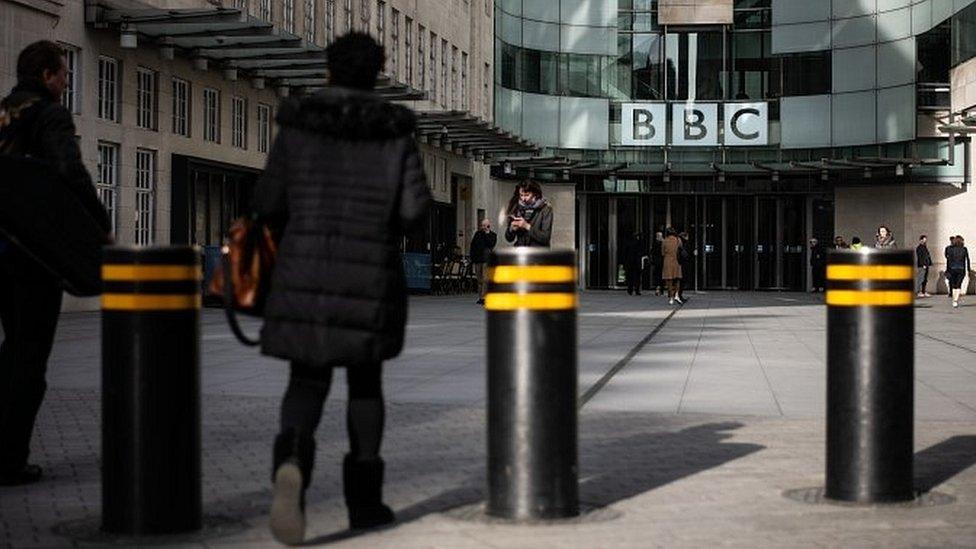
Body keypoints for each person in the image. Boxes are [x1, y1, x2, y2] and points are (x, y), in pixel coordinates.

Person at [250, 33, 432, 544]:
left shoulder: (298, 126)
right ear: (377, 75)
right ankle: (365, 503)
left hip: (304, 273)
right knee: (365, 385)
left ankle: (290, 465)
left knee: (306, 381)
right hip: (369, 276)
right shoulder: (394, 133)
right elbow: (416, 212)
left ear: (328, 70)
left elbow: (266, 202)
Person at [0, 41, 111, 486]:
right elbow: (69, 170)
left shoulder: (4, 113)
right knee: (29, 358)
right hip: (31, 254)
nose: (67, 82)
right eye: (64, 74)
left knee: (11, 351)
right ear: (46, 74)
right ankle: (10, 459)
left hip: (0, 248)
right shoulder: (48, 114)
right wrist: (99, 225)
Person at [505, 180, 553, 247]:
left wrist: (526, 226)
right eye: (521, 195)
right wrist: (511, 229)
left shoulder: (546, 209)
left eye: (527, 195)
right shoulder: (516, 207)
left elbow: (545, 238)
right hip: (521, 253)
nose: (523, 199)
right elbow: (509, 239)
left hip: (538, 254)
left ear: (535, 194)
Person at [469, 219, 497, 305]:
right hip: (478, 259)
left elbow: (491, 244)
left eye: (485, 225)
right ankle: (480, 297)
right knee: (479, 279)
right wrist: (472, 257)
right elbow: (473, 245)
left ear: (489, 226)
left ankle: (484, 297)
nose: (483, 227)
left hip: (486, 259)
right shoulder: (478, 234)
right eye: (482, 225)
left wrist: (487, 233)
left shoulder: (492, 235)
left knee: (485, 279)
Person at [945, 235, 971, 309]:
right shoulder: (964, 249)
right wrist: (968, 269)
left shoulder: (950, 249)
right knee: (959, 285)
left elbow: (949, 260)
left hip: (952, 269)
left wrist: (947, 269)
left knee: (954, 285)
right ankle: (956, 300)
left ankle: (954, 300)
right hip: (961, 269)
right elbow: (967, 259)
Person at [661, 228, 683, 305]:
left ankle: (671, 297)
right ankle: (677, 294)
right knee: (677, 279)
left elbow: (663, 253)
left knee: (669, 280)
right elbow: (681, 249)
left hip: (667, 261)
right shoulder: (678, 240)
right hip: (677, 261)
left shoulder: (664, 241)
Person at [650, 231, 664, 295]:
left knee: (658, 275)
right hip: (661, 261)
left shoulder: (655, 243)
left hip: (657, 262)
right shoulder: (662, 243)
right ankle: (660, 289)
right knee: (660, 275)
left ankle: (658, 288)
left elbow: (652, 252)